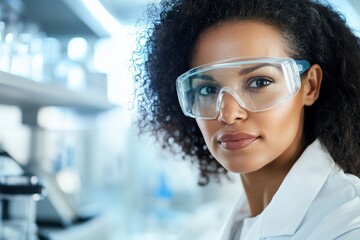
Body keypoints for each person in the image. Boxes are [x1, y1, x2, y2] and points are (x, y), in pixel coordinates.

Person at [133, 0, 360, 239]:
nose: (229, 114)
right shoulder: (241, 221)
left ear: (309, 86)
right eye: (208, 90)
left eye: (259, 82)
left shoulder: (348, 225)